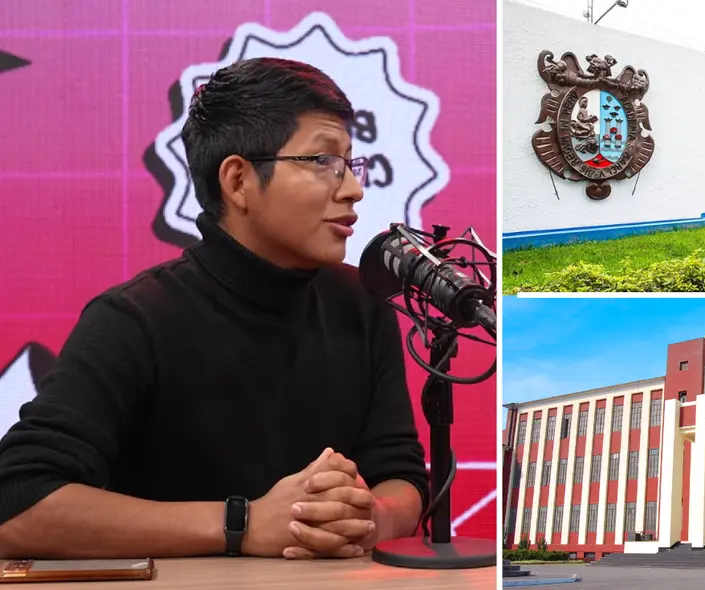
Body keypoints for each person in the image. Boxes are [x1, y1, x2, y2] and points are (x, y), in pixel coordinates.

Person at [0, 58, 428, 560]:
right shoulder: (134, 318)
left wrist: (366, 517)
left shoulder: (363, 304)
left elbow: (400, 474)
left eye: (350, 164)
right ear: (239, 180)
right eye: (322, 162)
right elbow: (18, 504)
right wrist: (241, 524)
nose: (354, 188)